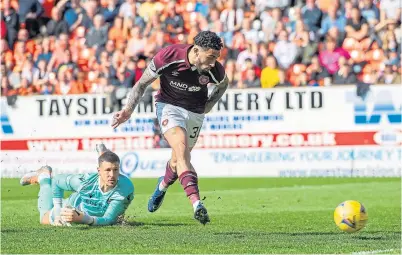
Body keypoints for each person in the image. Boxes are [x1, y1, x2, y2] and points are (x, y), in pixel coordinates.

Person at [111, 31, 229, 225]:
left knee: (177, 161)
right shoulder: (168, 57)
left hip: (195, 112)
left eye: (217, 58)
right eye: (210, 57)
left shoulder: (215, 70)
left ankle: (163, 185)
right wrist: (128, 110)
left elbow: (224, 85)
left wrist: (208, 106)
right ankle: (197, 204)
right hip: (168, 107)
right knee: (182, 152)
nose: (213, 63)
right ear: (197, 51)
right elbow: (142, 84)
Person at [20, 144, 134, 226]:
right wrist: (58, 211)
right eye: (107, 170)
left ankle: (104, 155)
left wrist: (84, 219)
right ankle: (44, 177)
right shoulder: (84, 181)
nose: (112, 175)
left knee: (115, 220)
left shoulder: (125, 188)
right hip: (75, 206)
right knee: (44, 217)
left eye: (116, 170)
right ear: (98, 171)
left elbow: (108, 219)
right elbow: (57, 181)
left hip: (91, 208)